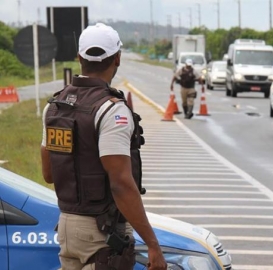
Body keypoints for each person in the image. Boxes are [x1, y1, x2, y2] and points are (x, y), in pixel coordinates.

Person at [40, 22, 167, 270]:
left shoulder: (54, 107)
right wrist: (153, 244)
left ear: (79, 58)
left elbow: (49, 174)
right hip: (101, 233)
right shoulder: (111, 111)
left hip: (67, 227)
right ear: (117, 58)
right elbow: (121, 184)